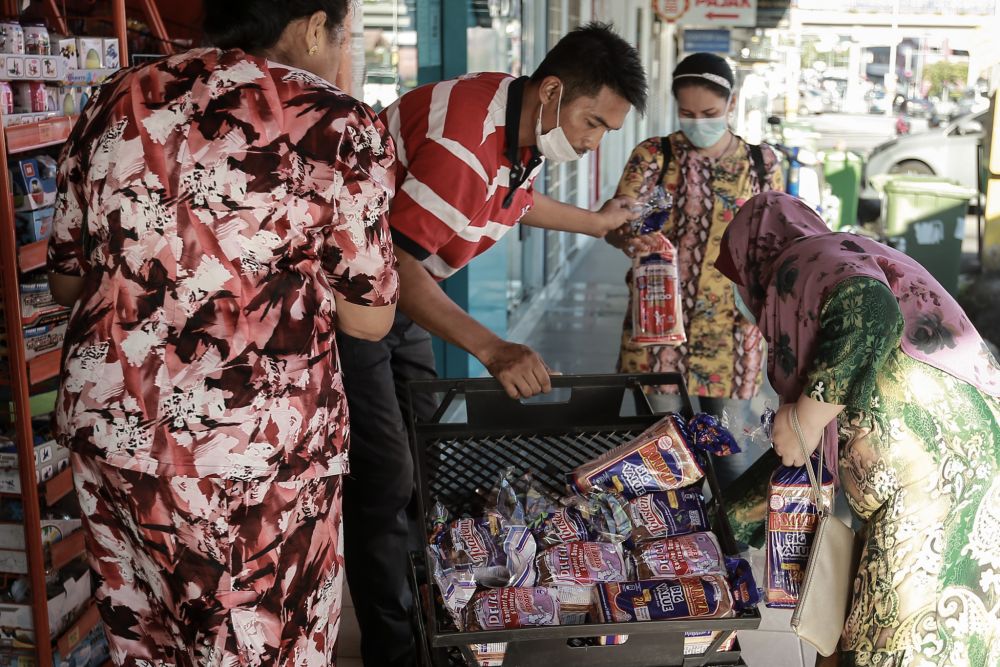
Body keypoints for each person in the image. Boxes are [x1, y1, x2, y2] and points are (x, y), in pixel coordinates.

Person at [46, 1, 398, 663]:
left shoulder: (115, 98)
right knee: (266, 648)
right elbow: (368, 315)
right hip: (254, 459)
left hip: (115, 435)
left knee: (146, 643)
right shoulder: (336, 122)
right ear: (314, 26)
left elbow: (66, 280)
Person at [338, 22, 647, 666]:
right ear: (555, 91)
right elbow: (397, 266)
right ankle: (394, 650)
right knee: (387, 475)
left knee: (428, 447)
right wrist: (493, 347)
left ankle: (436, 601)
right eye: (592, 123)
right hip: (359, 304)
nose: (591, 145)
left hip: (399, 300)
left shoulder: (515, 114)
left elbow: (512, 200)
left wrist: (594, 226)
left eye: (605, 134)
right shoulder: (463, 144)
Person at [716, 191, 1000, 667]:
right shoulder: (830, 261)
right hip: (936, 476)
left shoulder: (804, 261)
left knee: (897, 640)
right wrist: (725, 521)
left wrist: (807, 415)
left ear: (755, 259)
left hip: (940, 481)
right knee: (866, 637)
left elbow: (873, 310)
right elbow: (805, 457)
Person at [605, 51, 783, 425]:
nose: (697, 123)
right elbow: (615, 224)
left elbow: (778, 241)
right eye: (687, 114)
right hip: (657, 330)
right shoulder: (655, 155)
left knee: (728, 461)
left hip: (731, 336)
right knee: (664, 457)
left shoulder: (762, 164)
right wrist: (625, 236)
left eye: (708, 114)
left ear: (731, 104)